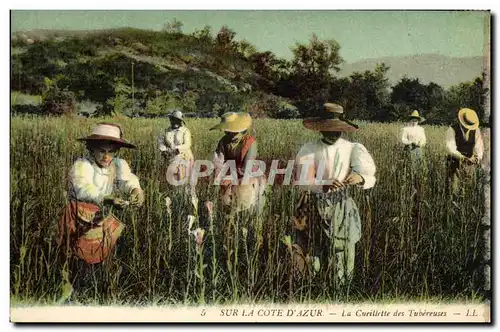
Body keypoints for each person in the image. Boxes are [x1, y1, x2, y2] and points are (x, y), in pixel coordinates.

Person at [57, 122, 145, 298]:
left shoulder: (119, 164)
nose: (106, 156)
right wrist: (107, 198)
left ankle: (101, 285)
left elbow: (128, 180)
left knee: (104, 253)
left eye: (111, 151)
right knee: (76, 255)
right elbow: (82, 188)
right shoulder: (83, 165)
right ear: (92, 149)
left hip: (102, 215)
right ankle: (74, 287)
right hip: (80, 215)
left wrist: (137, 191)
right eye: (102, 151)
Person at [293, 103, 376, 286]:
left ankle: (339, 290)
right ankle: (312, 288)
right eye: (328, 130)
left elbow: (369, 174)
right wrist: (323, 184)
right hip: (313, 204)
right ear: (321, 129)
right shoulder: (309, 149)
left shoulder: (352, 148)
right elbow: (301, 180)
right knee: (313, 249)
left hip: (341, 203)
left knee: (342, 250)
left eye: (337, 130)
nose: (333, 133)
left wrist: (359, 177)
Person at [210, 112, 267, 215]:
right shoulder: (223, 142)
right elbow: (218, 161)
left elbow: (247, 167)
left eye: (234, 131)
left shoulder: (250, 142)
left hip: (248, 173)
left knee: (256, 196)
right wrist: (219, 177)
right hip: (230, 173)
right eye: (228, 131)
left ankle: (257, 217)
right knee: (224, 200)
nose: (231, 134)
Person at [445, 108, 484, 194]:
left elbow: (479, 146)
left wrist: (477, 158)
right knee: (453, 189)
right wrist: (463, 158)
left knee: (467, 188)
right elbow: (450, 148)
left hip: (469, 164)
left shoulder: (476, 130)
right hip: (454, 163)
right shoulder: (452, 129)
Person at [158, 110, 194, 185]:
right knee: (172, 179)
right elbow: (161, 142)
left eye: (177, 120)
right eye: (173, 120)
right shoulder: (167, 131)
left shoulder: (185, 131)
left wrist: (176, 149)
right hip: (170, 157)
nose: (175, 122)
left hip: (184, 157)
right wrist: (164, 150)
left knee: (183, 179)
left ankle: (186, 195)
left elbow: (187, 145)